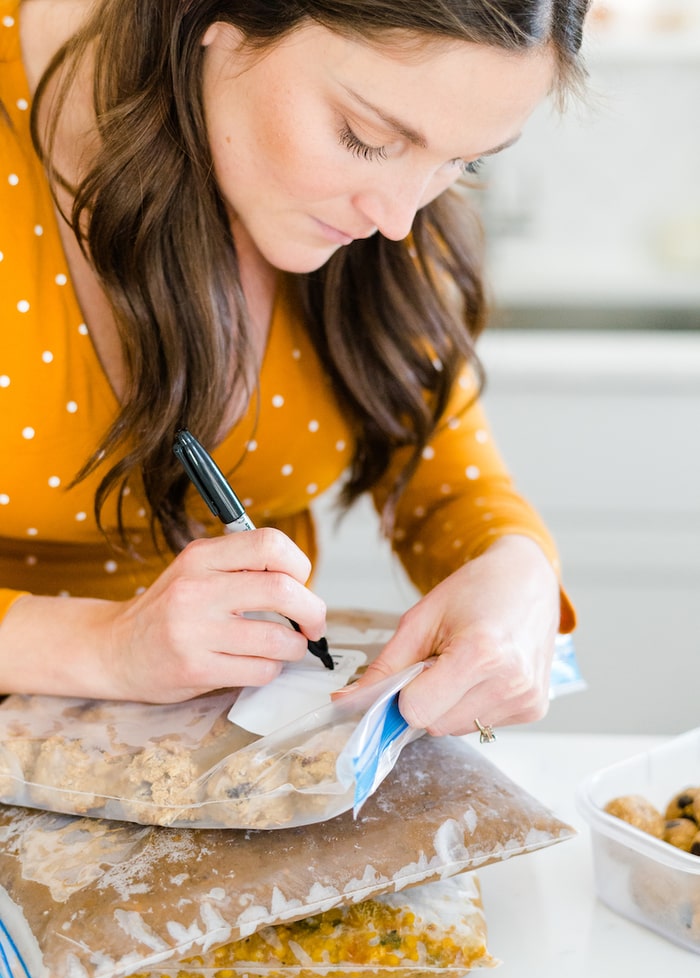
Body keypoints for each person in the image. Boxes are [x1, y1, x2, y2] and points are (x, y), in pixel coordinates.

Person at [0, 0, 585, 737]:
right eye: (364, 137)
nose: (399, 217)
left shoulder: (387, 194)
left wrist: (518, 572)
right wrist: (106, 647)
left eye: (463, 161)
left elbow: (447, 480)